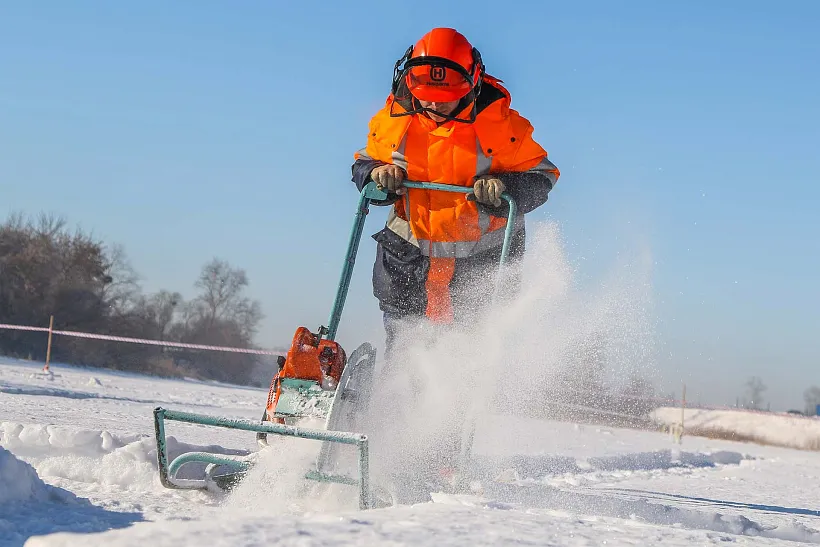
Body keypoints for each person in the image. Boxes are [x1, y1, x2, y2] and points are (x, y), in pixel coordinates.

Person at [351, 27, 560, 361]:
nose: (433, 103)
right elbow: (363, 162)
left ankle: (462, 411)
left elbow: (543, 176)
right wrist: (377, 173)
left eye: (445, 95)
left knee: (466, 359)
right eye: (425, 93)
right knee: (404, 350)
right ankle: (390, 408)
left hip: (481, 262)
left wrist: (505, 187)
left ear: (470, 84)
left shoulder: (502, 127)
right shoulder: (392, 122)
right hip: (408, 258)